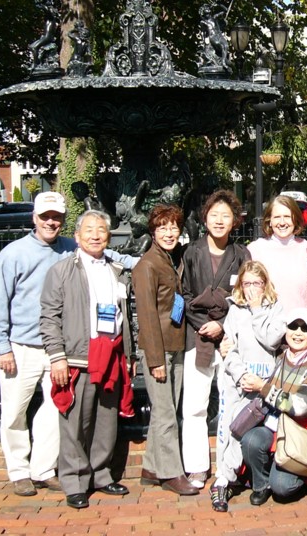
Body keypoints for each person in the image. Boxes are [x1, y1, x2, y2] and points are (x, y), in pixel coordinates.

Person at [0, 192, 135, 497]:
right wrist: (1, 346)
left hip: (63, 348)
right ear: (34, 218)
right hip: (24, 346)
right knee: (14, 411)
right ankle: (18, 471)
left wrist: (146, 262)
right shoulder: (14, 254)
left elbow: (111, 257)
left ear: (64, 221)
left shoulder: (70, 247)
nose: (51, 222)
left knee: (57, 412)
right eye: (45, 216)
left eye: (56, 217)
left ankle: (41, 469)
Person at [40, 210, 134, 509]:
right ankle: (75, 481)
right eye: (89, 230)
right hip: (78, 357)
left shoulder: (117, 269)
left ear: (109, 235)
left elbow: (126, 317)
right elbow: (49, 318)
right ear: (77, 236)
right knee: (75, 423)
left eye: (101, 230)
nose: (95, 235)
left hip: (112, 355)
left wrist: (129, 356)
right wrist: (57, 358)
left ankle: (101, 474)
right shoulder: (61, 271)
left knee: (106, 421)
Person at [181, 190, 251, 489]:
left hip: (229, 338)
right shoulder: (191, 252)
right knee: (195, 405)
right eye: (214, 215)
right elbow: (182, 295)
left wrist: (222, 325)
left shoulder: (242, 254)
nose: (219, 221)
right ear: (204, 218)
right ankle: (196, 467)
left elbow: (248, 295)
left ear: (234, 221)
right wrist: (205, 324)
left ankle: (229, 465)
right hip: (196, 338)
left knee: (230, 403)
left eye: (226, 215)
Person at [132, 205, 198, 496]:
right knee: (166, 413)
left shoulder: (172, 259)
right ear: (153, 232)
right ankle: (171, 473)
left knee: (167, 408)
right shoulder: (147, 265)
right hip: (159, 349)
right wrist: (156, 360)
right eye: (163, 228)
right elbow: (146, 315)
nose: (169, 233)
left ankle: (150, 467)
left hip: (177, 343)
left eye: (174, 227)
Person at [210, 260, 286, 512]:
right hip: (238, 381)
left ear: (265, 284)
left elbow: (272, 339)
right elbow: (228, 348)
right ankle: (223, 480)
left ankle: (257, 477)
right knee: (231, 427)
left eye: (257, 282)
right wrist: (240, 373)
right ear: (240, 285)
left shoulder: (276, 308)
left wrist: (257, 310)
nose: (252, 288)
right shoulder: (235, 310)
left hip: (264, 383)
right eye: (247, 283)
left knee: (256, 433)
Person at [239, 308, 307, 506]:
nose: (298, 332)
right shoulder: (278, 357)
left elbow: (299, 406)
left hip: (298, 433)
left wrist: (263, 387)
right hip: (271, 427)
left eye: (305, 328)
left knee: (282, 488)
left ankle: (300, 474)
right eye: (293, 326)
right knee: (250, 440)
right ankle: (261, 485)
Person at [247, 196, 307, 311]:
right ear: (270, 221)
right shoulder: (255, 249)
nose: (282, 223)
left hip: (299, 325)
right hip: (265, 324)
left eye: (287, 217)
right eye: (277, 217)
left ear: (295, 219)